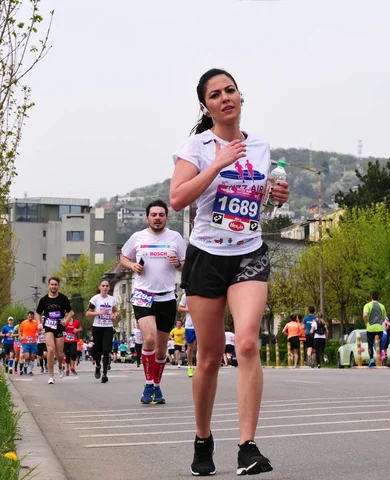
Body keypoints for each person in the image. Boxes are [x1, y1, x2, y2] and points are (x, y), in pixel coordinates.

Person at [170, 68, 289, 476]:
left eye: (231, 90)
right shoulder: (197, 145)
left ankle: (247, 447)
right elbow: (177, 198)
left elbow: (257, 201)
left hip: (249, 253)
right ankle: (203, 438)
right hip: (206, 256)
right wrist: (217, 163)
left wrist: (276, 197)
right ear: (206, 106)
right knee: (208, 357)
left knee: (249, 343)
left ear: (241, 97)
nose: (225, 98)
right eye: (216, 94)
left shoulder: (260, 146)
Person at [120, 199, 186, 405]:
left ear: (166, 217)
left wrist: (178, 264)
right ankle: (148, 384)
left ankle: (157, 385)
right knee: (148, 339)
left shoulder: (175, 237)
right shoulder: (138, 237)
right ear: (147, 217)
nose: (157, 218)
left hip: (166, 296)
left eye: (161, 215)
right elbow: (123, 257)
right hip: (143, 295)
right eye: (154, 215)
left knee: (161, 348)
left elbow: (185, 264)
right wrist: (132, 266)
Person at [35, 277, 73, 384]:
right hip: (48, 327)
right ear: (48, 285)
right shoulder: (44, 300)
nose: (54, 286)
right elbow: (38, 313)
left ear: (58, 286)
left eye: (55, 284)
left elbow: (70, 312)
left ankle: (60, 366)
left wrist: (66, 320)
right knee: (50, 350)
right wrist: (39, 323)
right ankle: (51, 375)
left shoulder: (63, 298)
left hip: (59, 327)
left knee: (59, 353)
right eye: (52, 284)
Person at [86, 279, 118, 383]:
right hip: (97, 327)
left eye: (107, 286)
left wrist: (114, 316)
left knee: (106, 350)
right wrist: (99, 313)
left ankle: (104, 373)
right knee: (97, 350)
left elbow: (115, 311)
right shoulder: (95, 299)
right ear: (99, 287)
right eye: (103, 286)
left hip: (108, 327)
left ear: (109, 288)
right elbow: (88, 313)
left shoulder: (112, 299)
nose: (105, 288)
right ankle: (98, 365)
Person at [363, 291, 387, 367]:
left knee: (370, 344)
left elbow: (365, 315)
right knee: (378, 345)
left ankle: (371, 359)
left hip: (370, 328)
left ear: (371, 297)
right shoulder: (382, 306)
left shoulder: (367, 305)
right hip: (379, 328)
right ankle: (380, 360)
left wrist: (366, 322)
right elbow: (383, 319)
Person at [178, 292, 197, 377]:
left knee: (201, 346)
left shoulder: (203, 292)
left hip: (201, 323)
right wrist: (191, 310)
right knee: (190, 346)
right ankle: (190, 366)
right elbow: (180, 308)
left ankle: (200, 367)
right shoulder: (186, 295)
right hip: (190, 325)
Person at [19, 311, 39, 376]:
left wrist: (37, 333)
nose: (30, 317)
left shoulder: (35, 323)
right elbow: (20, 330)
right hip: (25, 342)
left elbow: (39, 331)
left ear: (33, 317)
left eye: (31, 316)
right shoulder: (23, 323)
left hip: (33, 342)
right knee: (27, 357)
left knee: (32, 357)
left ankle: (30, 371)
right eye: (29, 316)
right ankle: (25, 367)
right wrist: (20, 337)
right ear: (27, 316)